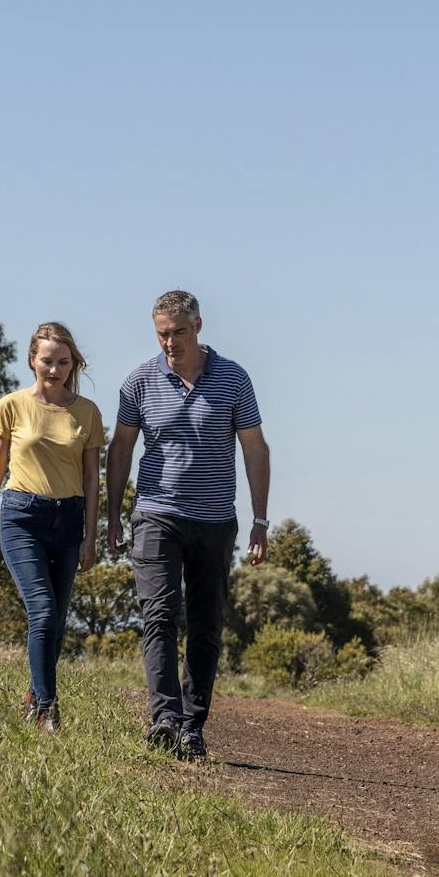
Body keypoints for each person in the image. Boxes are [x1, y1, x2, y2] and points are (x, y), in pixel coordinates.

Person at [107, 290, 270, 761]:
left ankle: (192, 725)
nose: (170, 342)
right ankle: (164, 717)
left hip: (216, 519)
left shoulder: (234, 378)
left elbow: (255, 448)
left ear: (197, 326)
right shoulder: (138, 381)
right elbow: (121, 449)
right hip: (156, 513)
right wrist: (115, 513)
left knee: (205, 624)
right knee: (158, 614)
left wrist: (260, 520)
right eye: (162, 334)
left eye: (178, 332)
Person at [0, 322, 103, 732]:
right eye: (47, 361)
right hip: (21, 517)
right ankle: (47, 709)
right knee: (43, 611)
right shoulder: (11, 405)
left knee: (56, 620)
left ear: (73, 364)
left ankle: (34, 696)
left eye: (63, 362)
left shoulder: (86, 412)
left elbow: (91, 480)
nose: (54, 369)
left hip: (68, 520)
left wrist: (90, 536)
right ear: (32, 358)